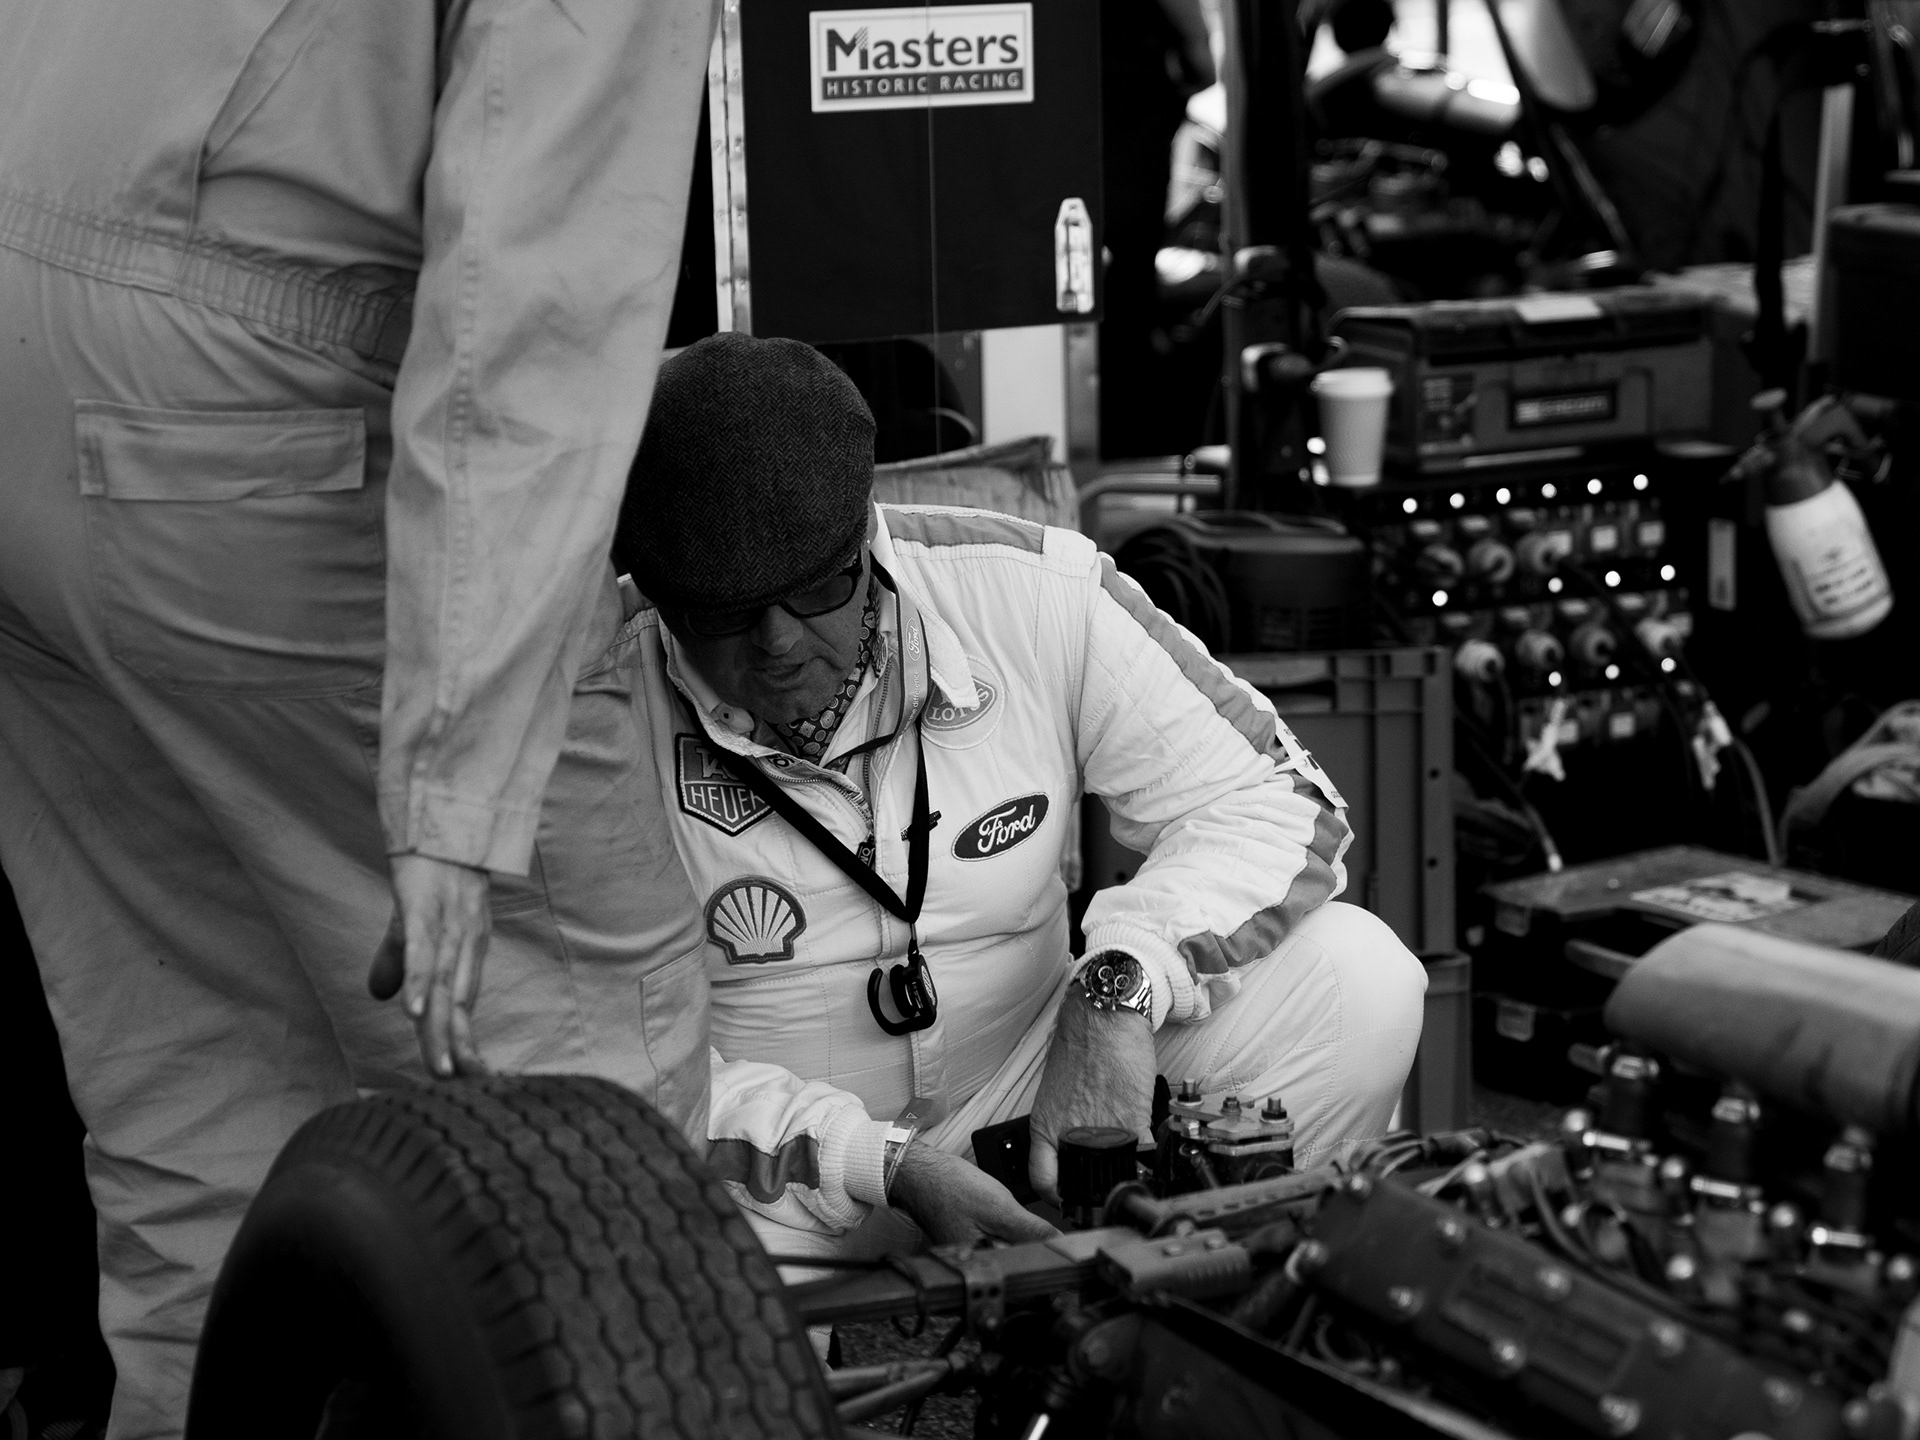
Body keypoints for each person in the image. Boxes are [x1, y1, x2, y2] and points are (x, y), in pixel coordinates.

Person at [0, 3, 715, 1435]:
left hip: (32, 358)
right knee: (579, 1139)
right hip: (240, 420)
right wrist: (462, 785)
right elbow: (535, 307)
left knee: (204, 1125)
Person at [614, 333, 1427, 1255]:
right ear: (658, 597)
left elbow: (1276, 799)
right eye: (724, 614)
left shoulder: (1032, 591)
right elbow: (588, 1050)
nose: (780, 643)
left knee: (1360, 981)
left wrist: (1120, 987)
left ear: (866, 538)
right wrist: (874, 1161)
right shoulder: (587, 698)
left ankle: (1194, 1299)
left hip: (1024, 1093)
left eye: (815, 593)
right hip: (776, 1175)